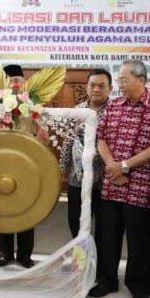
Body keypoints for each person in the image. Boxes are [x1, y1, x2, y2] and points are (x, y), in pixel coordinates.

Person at [92, 59, 150, 298]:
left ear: (141, 79)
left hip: (141, 186)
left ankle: (138, 286)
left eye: (124, 80)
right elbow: (101, 138)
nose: (120, 85)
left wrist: (124, 165)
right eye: (119, 80)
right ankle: (107, 280)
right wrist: (112, 165)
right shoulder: (113, 106)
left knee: (140, 241)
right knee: (108, 236)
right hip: (111, 183)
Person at [59, 68, 112, 284]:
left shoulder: (115, 111)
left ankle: (98, 268)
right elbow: (69, 141)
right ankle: (80, 263)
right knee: (76, 222)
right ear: (87, 87)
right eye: (92, 85)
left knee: (102, 228)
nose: (96, 89)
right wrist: (62, 168)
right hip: (76, 180)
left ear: (110, 88)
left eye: (101, 85)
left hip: (105, 182)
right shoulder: (78, 110)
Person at [0, 64, 37, 268]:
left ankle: (25, 255)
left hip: (28, 166)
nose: (16, 84)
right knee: (3, 209)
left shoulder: (33, 105)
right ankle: (4, 253)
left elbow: (41, 132)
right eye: (11, 81)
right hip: (2, 165)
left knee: (28, 209)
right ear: (5, 84)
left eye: (18, 80)